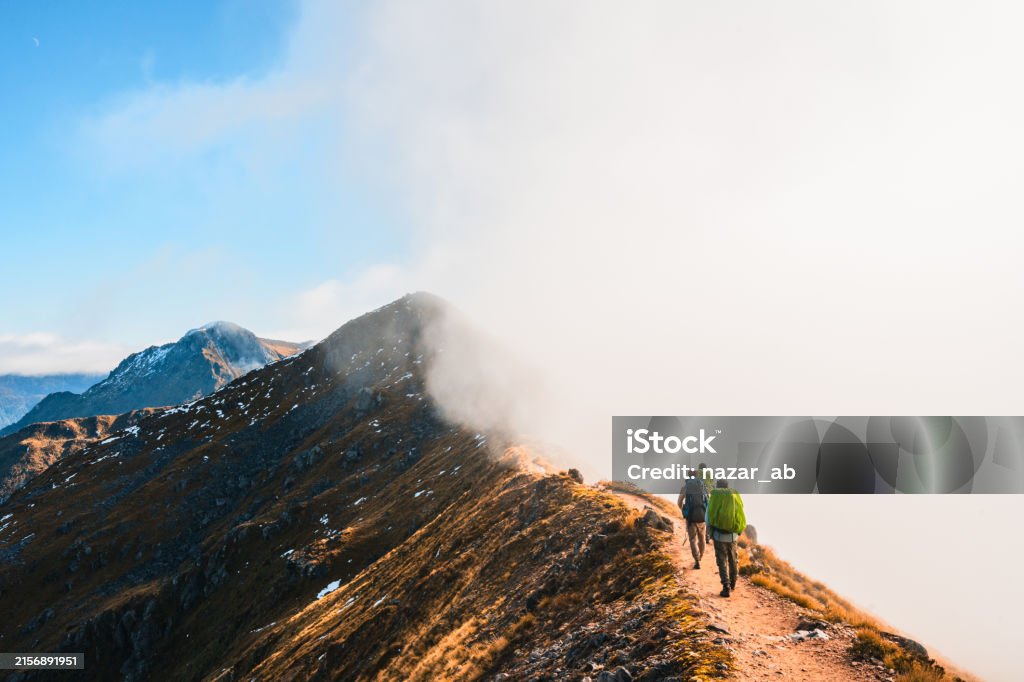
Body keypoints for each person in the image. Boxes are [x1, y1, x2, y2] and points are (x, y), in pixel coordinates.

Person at [706, 479, 746, 598]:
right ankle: (733, 582)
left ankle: (726, 587)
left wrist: (710, 533)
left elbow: (708, 517)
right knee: (733, 559)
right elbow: (740, 513)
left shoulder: (714, 496)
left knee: (721, 561)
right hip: (733, 536)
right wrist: (739, 531)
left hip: (718, 536)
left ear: (718, 486)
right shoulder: (734, 496)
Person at [677, 469, 709, 569]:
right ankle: (701, 556)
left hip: (691, 517)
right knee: (702, 539)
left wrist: (684, 510)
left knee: (692, 539)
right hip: (702, 517)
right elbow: (708, 500)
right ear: (697, 475)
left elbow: (679, 502)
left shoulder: (685, 487)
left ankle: (696, 560)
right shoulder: (703, 486)